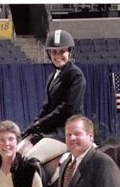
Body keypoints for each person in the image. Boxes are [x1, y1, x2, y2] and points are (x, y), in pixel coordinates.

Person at [21, 29, 87, 164]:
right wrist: (33, 126)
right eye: (54, 52)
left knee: (30, 159)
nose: (57, 56)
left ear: (69, 51)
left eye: (62, 51)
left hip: (66, 131)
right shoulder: (52, 77)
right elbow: (47, 107)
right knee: (18, 152)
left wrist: (40, 125)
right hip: (51, 131)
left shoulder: (75, 75)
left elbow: (67, 109)